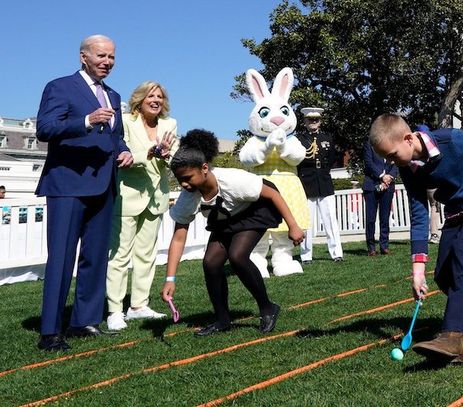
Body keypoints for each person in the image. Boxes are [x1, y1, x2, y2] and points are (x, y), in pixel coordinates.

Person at [369, 113, 463, 364]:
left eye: (392, 155)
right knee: (443, 275)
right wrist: (417, 271)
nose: (390, 162)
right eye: (385, 158)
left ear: (408, 139)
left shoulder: (451, 139)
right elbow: (419, 216)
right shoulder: (408, 170)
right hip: (456, 210)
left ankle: (452, 337)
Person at [35, 35, 133, 352]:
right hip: (67, 185)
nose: (108, 62)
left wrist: (125, 150)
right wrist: (86, 120)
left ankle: (83, 322)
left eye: (112, 57)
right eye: (102, 56)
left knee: (95, 258)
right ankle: (50, 330)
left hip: (104, 185)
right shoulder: (60, 87)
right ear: (83, 57)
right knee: (61, 259)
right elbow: (45, 129)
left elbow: (113, 137)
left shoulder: (113, 95)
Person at [162, 129, 304, 336]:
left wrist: (294, 226)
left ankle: (267, 308)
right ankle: (222, 319)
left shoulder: (233, 180)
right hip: (226, 219)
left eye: (187, 178)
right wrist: (170, 279)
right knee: (210, 263)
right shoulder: (187, 197)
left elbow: (272, 194)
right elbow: (178, 238)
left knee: (238, 256)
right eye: (179, 179)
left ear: (204, 168)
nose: (184, 184)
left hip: (255, 211)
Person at [106, 82, 178, 330]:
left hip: (156, 198)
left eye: (160, 96)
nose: (156, 100)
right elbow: (120, 154)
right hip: (127, 196)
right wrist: (148, 153)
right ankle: (114, 309)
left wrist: (166, 154)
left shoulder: (170, 125)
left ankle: (138, 305)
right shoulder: (126, 121)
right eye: (151, 96)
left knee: (146, 255)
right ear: (140, 99)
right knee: (119, 256)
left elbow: (173, 158)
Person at [297, 107, 343, 264]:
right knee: (306, 222)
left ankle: (337, 253)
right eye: (310, 119)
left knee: (330, 220)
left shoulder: (327, 139)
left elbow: (330, 160)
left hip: (324, 182)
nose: (313, 122)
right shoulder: (299, 140)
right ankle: (306, 255)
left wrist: (323, 172)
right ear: (305, 121)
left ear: (320, 121)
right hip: (307, 182)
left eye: (316, 119)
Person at [362, 141, 397, 256]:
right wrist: (382, 176)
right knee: (371, 219)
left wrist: (390, 176)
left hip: (388, 186)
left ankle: (384, 246)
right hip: (371, 185)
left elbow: (396, 161)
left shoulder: (392, 142)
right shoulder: (369, 143)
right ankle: (371, 247)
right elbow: (369, 163)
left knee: (385, 218)